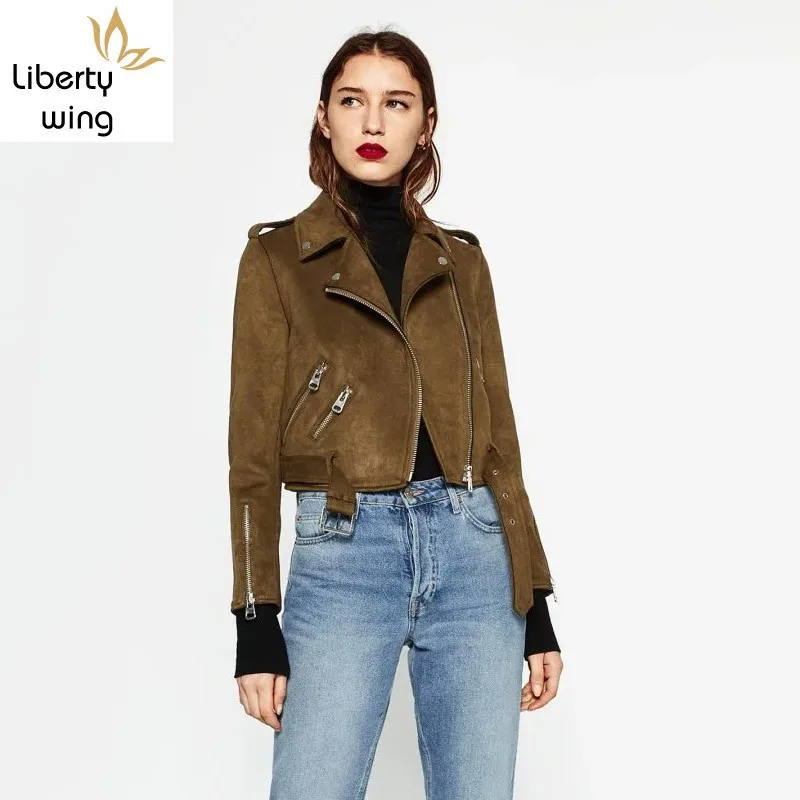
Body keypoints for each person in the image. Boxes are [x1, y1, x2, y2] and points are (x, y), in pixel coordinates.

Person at [228, 28, 564, 799]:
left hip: (476, 554)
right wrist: (254, 618)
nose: (374, 122)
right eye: (354, 101)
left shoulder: (461, 260)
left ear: (427, 123)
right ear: (324, 117)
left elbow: (500, 444)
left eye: (397, 103)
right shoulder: (277, 259)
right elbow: (250, 456)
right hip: (345, 553)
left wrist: (536, 601)